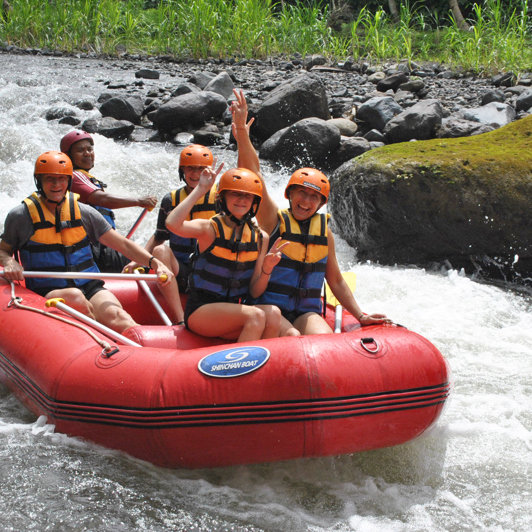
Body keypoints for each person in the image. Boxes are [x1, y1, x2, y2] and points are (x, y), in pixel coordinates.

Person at [231, 89, 389, 336]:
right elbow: (254, 177)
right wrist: (242, 132)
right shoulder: (273, 219)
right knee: (292, 337)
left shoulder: (324, 233)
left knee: (324, 342)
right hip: (269, 307)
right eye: (301, 193)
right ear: (289, 195)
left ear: (321, 203)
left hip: (305, 312)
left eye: (313, 197)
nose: (305, 201)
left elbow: (335, 280)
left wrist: (360, 315)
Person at [0, 151, 174, 334]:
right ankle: (102, 345)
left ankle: (139, 353)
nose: (56, 185)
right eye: (49, 179)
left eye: (61, 179)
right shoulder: (21, 216)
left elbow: (123, 245)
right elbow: (2, 251)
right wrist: (9, 261)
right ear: (39, 181)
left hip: (88, 285)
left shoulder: (84, 212)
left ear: (68, 181)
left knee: (120, 318)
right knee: (75, 298)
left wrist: (156, 263)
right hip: (48, 290)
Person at [165, 165, 288, 343]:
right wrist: (201, 189)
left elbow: (254, 292)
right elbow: (172, 223)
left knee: (273, 314)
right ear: (222, 197)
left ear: (254, 201)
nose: (241, 200)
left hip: (234, 312)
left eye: (247, 195)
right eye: (235, 194)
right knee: (256, 316)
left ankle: (260, 367)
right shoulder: (209, 229)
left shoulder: (261, 237)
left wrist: (267, 270)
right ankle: (238, 368)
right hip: (201, 311)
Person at [123, 144, 219, 325]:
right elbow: (159, 236)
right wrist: (138, 260)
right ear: (181, 170)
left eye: (200, 168)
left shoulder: (221, 199)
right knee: (160, 251)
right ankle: (180, 319)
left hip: (212, 273)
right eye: (190, 168)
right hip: (182, 270)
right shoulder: (170, 200)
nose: (195, 173)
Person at [60, 130, 158, 273]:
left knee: (148, 254)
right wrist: (138, 201)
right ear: (68, 156)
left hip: (103, 246)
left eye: (89, 149)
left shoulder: (87, 177)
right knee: (152, 259)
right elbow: (102, 199)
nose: (87, 153)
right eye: (80, 150)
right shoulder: (74, 176)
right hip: (95, 249)